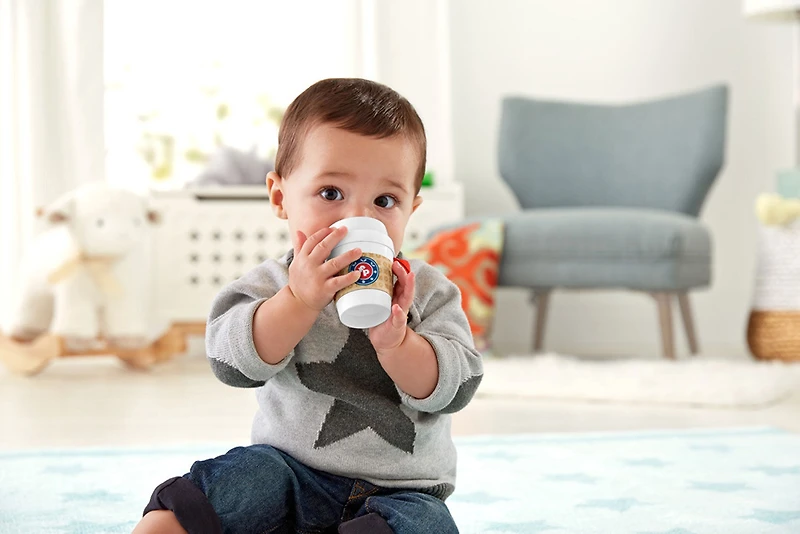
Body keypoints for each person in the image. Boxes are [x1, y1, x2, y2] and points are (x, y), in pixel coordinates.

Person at [132, 78, 483, 534]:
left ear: (410, 211)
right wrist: (296, 302)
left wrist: (399, 344)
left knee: (424, 523)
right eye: (332, 193)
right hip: (289, 473)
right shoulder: (274, 282)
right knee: (239, 480)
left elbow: (457, 388)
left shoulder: (428, 292)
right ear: (280, 198)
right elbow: (229, 361)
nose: (358, 218)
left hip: (401, 491)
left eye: (384, 200)